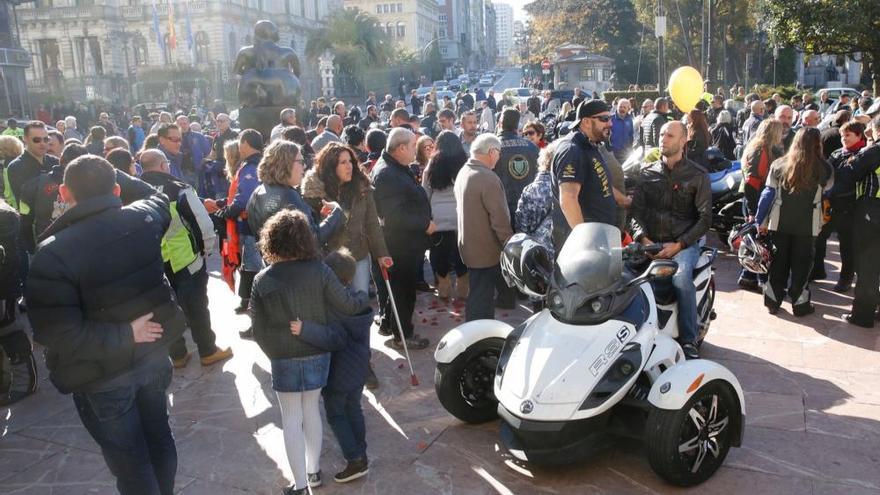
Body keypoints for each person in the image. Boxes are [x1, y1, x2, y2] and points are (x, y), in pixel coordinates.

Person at [26, 155, 187, 494]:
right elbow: (157, 194)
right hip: (143, 358)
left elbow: (54, 333)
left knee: (134, 462)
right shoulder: (142, 218)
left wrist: (125, 334)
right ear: (115, 188)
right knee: (156, 442)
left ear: (65, 193)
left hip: (106, 376)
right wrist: (116, 178)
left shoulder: (51, 253)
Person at [249, 209, 368, 495]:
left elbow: (258, 328)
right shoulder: (321, 270)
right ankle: (313, 473)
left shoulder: (262, 280)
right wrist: (363, 297)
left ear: (271, 241)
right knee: (311, 410)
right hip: (318, 353)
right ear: (305, 239)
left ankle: (300, 484)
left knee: (290, 418)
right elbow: (348, 305)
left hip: (283, 357)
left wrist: (276, 352)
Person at [139, 149, 233, 368]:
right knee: (198, 307)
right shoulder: (180, 189)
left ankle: (178, 355)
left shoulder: (133, 192)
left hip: (154, 265)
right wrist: (207, 249)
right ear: (164, 166)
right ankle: (208, 350)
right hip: (187, 261)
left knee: (165, 310)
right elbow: (203, 223)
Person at [630, 122, 712, 360]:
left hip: (682, 244)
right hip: (650, 242)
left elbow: (705, 219)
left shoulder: (698, 175)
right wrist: (643, 239)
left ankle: (689, 340)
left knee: (680, 279)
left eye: (669, 135)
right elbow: (635, 213)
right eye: (662, 134)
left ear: (683, 141)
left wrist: (679, 245)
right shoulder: (647, 173)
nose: (663, 139)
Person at [755, 128, 833, 316]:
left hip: (779, 222)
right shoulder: (826, 168)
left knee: (777, 263)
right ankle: (800, 304)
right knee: (803, 265)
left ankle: (772, 302)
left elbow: (768, 194)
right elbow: (828, 194)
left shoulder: (779, 164)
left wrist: (760, 220)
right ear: (818, 144)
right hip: (808, 224)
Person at [370, 128, 432, 350]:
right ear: (401, 148)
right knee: (403, 291)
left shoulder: (395, 167)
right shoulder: (387, 173)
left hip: (405, 243)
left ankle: (389, 323)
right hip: (400, 244)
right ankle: (403, 334)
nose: (416, 150)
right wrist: (425, 223)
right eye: (413, 145)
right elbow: (395, 217)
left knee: (397, 290)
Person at [301, 142, 390, 292]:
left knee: (359, 300)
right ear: (330, 166)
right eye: (343, 162)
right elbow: (311, 230)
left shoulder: (362, 187)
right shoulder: (314, 193)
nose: (349, 166)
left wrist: (382, 254)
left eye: (350, 161)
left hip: (358, 255)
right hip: (330, 259)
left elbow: (372, 223)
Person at [317, 248, 373, 483]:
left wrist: (307, 331)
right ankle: (361, 451)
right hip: (359, 366)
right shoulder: (358, 299)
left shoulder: (332, 306)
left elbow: (333, 338)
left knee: (336, 414)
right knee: (354, 408)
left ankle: (355, 459)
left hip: (338, 371)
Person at [454, 134, 513, 321]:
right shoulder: (487, 178)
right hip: (485, 249)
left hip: (470, 245)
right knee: (481, 299)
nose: (499, 157)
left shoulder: (464, 171)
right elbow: (500, 218)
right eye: (498, 153)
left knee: (482, 291)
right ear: (491, 151)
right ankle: (479, 335)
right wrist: (509, 243)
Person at [246, 139, 343, 250]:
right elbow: (312, 240)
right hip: (299, 265)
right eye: (301, 162)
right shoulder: (289, 196)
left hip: (272, 263)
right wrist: (336, 213)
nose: (305, 166)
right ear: (285, 163)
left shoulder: (258, 192)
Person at [550, 99, 618, 250]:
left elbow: (602, 184)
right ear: (586, 122)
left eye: (610, 118)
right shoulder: (572, 150)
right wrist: (585, 243)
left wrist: (625, 200)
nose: (610, 124)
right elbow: (568, 199)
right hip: (582, 247)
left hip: (600, 237)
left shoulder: (590, 144)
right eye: (604, 119)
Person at [834, 117, 880, 327]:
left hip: (872, 212)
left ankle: (862, 316)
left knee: (868, 266)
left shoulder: (875, 150)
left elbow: (849, 172)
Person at [215, 129, 263, 321]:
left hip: (250, 225)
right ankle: (247, 301)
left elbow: (243, 198)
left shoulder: (251, 167)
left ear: (245, 144)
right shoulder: (257, 164)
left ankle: (254, 308)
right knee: (248, 265)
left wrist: (225, 212)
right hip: (253, 223)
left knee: (251, 266)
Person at [813, 121, 865, 290]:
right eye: (842, 135)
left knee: (847, 245)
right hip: (831, 203)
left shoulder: (864, 154)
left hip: (850, 206)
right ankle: (817, 270)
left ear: (859, 136)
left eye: (848, 135)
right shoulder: (837, 153)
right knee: (819, 238)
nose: (844, 139)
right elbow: (826, 172)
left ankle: (846, 278)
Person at [738, 119, 784, 289]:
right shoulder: (761, 150)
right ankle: (759, 279)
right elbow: (752, 181)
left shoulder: (757, 147)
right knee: (759, 242)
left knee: (755, 240)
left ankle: (748, 276)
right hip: (756, 201)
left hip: (755, 199)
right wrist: (753, 211)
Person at [422, 131, 468, 300]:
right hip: (460, 218)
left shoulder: (432, 165)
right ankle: (463, 288)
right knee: (461, 256)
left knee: (439, 255)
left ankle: (444, 287)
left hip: (438, 220)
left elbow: (425, 194)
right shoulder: (465, 163)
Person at [0, 200, 36, 406]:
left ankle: (25, 382)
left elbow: (9, 259)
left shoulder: (4, 216)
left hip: (4, 287)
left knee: (9, 330)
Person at [5, 121, 60, 252]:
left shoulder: (54, 161)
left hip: (58, 225)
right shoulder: (16, 166)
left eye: (46, 139)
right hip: (33, 231)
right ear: (25, 139)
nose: (42, 143)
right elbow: (26, 201)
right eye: (36, 139)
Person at [516, 140, 559, 262]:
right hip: (563, 254)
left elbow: (522, 226)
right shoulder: (566, 188)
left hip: (538, 255)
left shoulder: (531, 189)